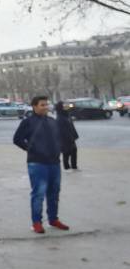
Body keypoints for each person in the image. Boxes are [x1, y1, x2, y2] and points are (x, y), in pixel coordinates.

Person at [13, 95, 70, 234]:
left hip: (54, 163)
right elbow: (17, 139)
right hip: (37, 163)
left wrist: (59, 149)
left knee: (54, 192)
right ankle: (36, 222)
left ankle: (53, 219)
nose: (45, 107)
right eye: (42, 105)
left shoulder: (52, 121)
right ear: (34, 106)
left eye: (46, 105)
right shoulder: (28, 122)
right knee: (38, 193)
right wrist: (31, 149)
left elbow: (58, 138)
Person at [55, 102, 80, 171]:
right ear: (60, 108)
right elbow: (62, 131)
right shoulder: (60, 118)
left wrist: (74, 136)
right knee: (66, 153)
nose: (66, 107)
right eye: (64, 106)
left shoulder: (66, 115)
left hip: (71, 138)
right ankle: (67, 168)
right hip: (65, 139)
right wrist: (68, 138)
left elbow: (71, 126)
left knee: (73, 151)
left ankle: (74, 166)